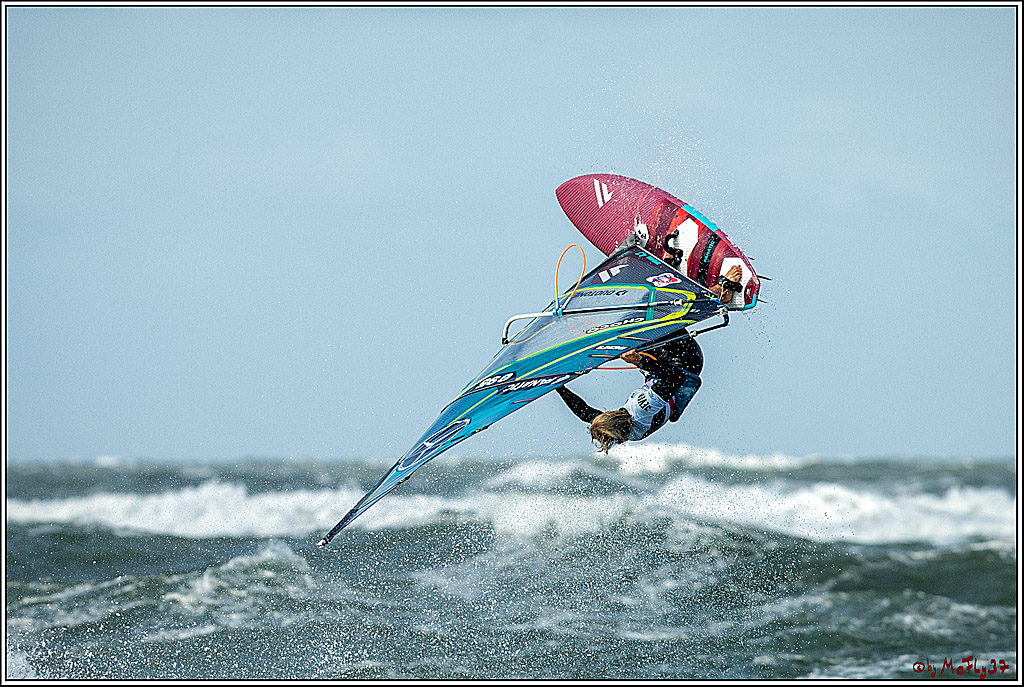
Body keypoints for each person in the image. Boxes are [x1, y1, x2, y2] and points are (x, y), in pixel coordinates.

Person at [555, 264, 743, 453]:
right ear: (612, 416)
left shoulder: (621, 430)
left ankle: (675, 276)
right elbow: (674, 378)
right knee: (654, 320)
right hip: (685, 363)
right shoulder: (641, 409)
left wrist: (557, 384)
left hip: (662, 369)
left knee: (632, 328)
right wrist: (639, 361)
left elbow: (584, 412)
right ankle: (720, 291)